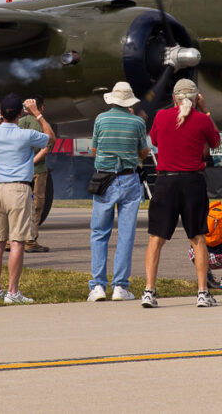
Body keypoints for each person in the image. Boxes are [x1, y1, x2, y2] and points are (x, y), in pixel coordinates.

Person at [143, 78, 221, 309]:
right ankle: (202, 292)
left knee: (156, 239)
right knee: (197, 238)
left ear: (174, 98)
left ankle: (149, 291)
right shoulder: (201, 120)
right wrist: (206, 111)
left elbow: (155, 140)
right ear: (196, 98)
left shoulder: (161, 117)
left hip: (166, 182)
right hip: (192, 183)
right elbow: (215, 142)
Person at [0, 93, 54, 305]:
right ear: (21, 113)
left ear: (2, 112)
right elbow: (50, 138)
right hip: (19, 189)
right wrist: (38, 114)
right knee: (17, 242)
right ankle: (13, 292)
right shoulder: (25, 134)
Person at [88, 82, 149, 302]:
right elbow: (143, 153)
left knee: (99, 233)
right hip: (129, 178)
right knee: (126, 235)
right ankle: (120, 286)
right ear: (129, 102)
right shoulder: (137, 122)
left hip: (104, 178)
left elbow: (95, 149)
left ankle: (97, 286)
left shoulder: (101, 119)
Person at [18, 96, 53, 253]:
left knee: (17, 206)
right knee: (37, 206)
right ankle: (30, 241)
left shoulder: (18, 123)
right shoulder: (43, 125)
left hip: (19, 171)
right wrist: (31, 163)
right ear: (41, 108)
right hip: (37, 170)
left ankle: (10, 241)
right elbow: (47, 147)